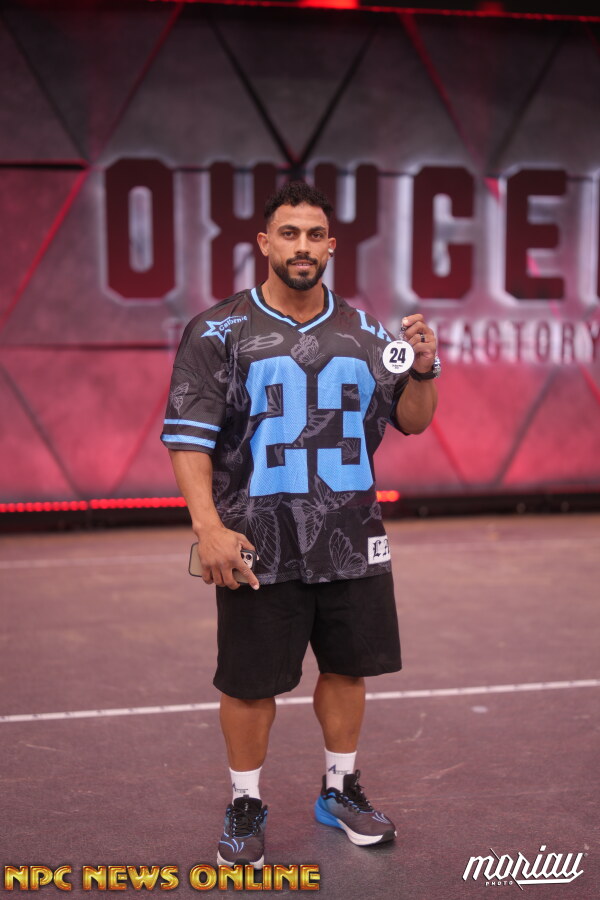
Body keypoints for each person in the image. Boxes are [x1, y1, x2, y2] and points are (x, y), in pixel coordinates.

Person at [161, 182, 439, 868]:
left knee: (348, 669)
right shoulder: (217, 331)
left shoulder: (369, 333)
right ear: (265, 243)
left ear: (331, 246)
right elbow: (189, 440)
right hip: (258, 541)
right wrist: (208, 529)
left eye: (315, 235)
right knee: (249, 682)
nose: (303, 247)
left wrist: (426, 369)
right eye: (289, 233)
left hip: (352, 537)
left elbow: (413, 419)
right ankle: (245, 802)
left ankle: (339, 790)